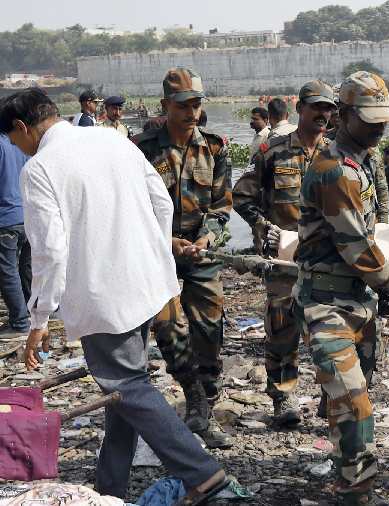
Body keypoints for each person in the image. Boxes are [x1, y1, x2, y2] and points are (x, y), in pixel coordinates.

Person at [4, 88, 230, 503]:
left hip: (105, 295)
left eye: (13, 139)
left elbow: (50, 250)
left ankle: (204, 474)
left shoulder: (41, 168)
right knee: (123, 388)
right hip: (146, 284)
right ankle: (111, 486)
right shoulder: (112, 138)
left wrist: (38, 320)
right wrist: (158, 260)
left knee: (125, 384)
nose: (16, 148)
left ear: (21, 127)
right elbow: (161, 201)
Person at [293, 70, 389, 505]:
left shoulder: (362, 162)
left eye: (382, 119)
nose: (379, 127)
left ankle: (346, 467)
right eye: (369, 119)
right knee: (355, 403)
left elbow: (375, 236)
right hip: (326, 304)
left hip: (359, 301)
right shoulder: (335, 171)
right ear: (344, 115)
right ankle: (357, 491)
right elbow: (359, 252)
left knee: (349, 396)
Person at [133, 67, 233, 449]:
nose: (191, 112)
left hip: (202, 254)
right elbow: (132, 210)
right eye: (183, 105)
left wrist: (208, 236)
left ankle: (207, 398)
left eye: (196, 104)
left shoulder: (216, 147)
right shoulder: (141, 149)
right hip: (157, 255)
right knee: (169, 330)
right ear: (165, 105)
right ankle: (193, 396)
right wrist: (167, 240)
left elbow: (223, 207)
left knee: (209, 330)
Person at [233, 80, 336, 426]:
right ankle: (282, 397)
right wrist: (262, 227)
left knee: (329, 328)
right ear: (300, 110)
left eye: (329, 109)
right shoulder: (272, 151)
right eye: (317, 108)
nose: (323, 114)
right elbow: (242, 196)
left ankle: (330, 395)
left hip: (327, 257)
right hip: (282, 258)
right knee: (282, 327)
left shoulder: (336, 155)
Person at [0, 131, 30, 337]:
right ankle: (35, 312)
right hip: (27, 215)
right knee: (27, 266)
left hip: (6, 219)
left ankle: (20, 323)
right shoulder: (20, 142)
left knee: (7, 272)